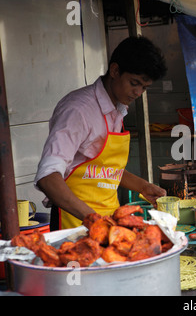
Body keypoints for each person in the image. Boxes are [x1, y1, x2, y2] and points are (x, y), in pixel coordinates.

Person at [35, 36, 167, 230]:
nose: (138, 92)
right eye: (134, 83)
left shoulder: (118, 110)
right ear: (115, 70)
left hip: (109, 220)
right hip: (74, 224)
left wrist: (143, 187)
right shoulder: (78, 110)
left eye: (144, 88)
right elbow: (48, 176)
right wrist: (93, 219)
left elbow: (103, 170)